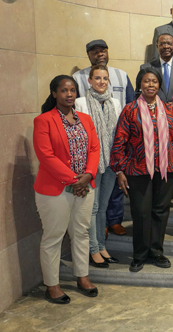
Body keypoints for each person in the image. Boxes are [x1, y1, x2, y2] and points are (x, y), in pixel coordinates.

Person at [110, 67, 173, 273]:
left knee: (161, 212)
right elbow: (119, 142)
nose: (150, 85)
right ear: (139, 85)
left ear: (159, 85)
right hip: (138, 171)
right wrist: (119, 170)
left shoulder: (169, 110)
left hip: (166, 170)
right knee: (141, 213)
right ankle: (140, 255)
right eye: (146, 81)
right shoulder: (130, 110)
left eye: (154, 81)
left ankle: (156, 252)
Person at [33, 75, 101, 304]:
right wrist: (75, 180)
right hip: (55, 190)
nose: (69, 94)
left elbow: (94, 148)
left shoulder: (85, 119)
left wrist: (89, 175)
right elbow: (46, 156)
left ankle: (82, 277)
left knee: (81, 233)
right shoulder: (44, 121)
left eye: (72, 90)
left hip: (85, 187)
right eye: (64, 91)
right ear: (54, 93)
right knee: (54, 237)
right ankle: (52, 285)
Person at [73, 39, 134, 237]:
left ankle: (114, 220)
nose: (99, 54)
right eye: (94, 51)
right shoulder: (77, 77)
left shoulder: (121, 75)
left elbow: (131, 103)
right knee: (95, 196)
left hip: (115, 142)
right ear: (88, 55)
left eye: (103, 50)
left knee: (115, 186)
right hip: (91, 148)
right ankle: (100, 226)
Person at [74, 65, 122, 269]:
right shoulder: (81, 102)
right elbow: (80, 136)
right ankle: (93, 249)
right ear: (89, 81)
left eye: (105, 78)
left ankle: (102, 246)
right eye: (97, 78)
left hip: (110, 163)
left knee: (103, 207)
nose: (102, 82)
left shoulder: (116, 102)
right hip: (91, 164)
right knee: (92, 208)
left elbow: (118, 133)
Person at [140, 33, 173, 213]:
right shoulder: (146, 67)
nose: (166, 46)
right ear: (157, 45)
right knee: (159, 156)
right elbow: (139, 93)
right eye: (162, 43)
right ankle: (162, 194)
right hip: (154, 123)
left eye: (170, 43)